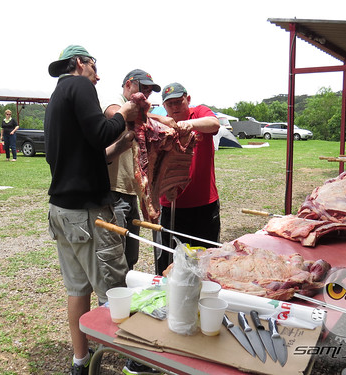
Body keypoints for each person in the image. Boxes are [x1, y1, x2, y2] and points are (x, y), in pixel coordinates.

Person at [44, 44, 139, 375]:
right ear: (80, 63)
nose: (98, 77)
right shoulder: (80, 85)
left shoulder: (57, 96)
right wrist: (124, 113)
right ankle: (135, 360)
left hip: (61, 212)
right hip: (87, 214)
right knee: (115, 289)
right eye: (94, 68)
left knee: (77, 289)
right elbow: (100, 133)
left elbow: (87, 153)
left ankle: (80, 362)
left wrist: (121, 145)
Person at [153, 82, 221, 276]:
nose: (175, 107)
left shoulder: (199, 113)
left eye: (178, 102)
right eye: (170, 104)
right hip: (172, 204)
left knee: (207, 259)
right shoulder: (161, 125)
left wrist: (188, 125)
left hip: (204, 204)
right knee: (171, 262)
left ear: (187, 99)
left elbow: (214, 123)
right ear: (164, 106)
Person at [102, 69, 161, 271]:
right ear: (128, 84)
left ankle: (125, 295)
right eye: (142, 88)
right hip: (113, 191)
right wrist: (161, 120)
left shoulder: (140, 112)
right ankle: (112, 299)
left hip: (131, 192)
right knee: (115, 257)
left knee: (131, 256)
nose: (145, 95)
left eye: (149, 91)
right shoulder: (114, 100)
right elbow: (115, 114)